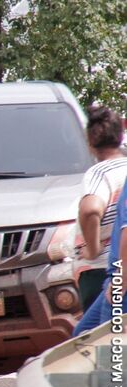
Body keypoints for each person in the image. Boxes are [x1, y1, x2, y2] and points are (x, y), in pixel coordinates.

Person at [73, 106, 127, 312]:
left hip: (103, 271)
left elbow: (90, 210)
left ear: (90, 142)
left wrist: (92, 248)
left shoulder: (99, 173)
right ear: (120, 135)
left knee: (97, 338)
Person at [75, 172, 126, 334]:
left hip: (122, 281)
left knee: (111, 353)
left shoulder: (99, 173)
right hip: (115, 278)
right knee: (83, 334)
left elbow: (89, 209)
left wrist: (120, 284)